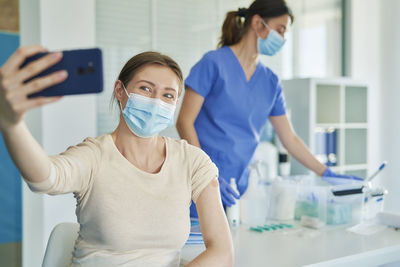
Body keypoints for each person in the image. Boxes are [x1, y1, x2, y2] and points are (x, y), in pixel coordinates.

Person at [0, 46, 234, 267]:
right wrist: (11, 125)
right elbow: (45, 178)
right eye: (145, 88)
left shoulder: (192, 161)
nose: (156, 101)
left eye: (168, 95)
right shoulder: (94, 156)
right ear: (120, 91)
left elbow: (222, 252)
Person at [176, 0, 361, 215]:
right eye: (280, 30)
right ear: (257, 23)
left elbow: (289, 138)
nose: (282, 39)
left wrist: (325, 172)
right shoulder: (213, 64)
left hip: (239, 187)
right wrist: (205, 173)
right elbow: (184, 121)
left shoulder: (270, 81)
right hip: (198, 182)